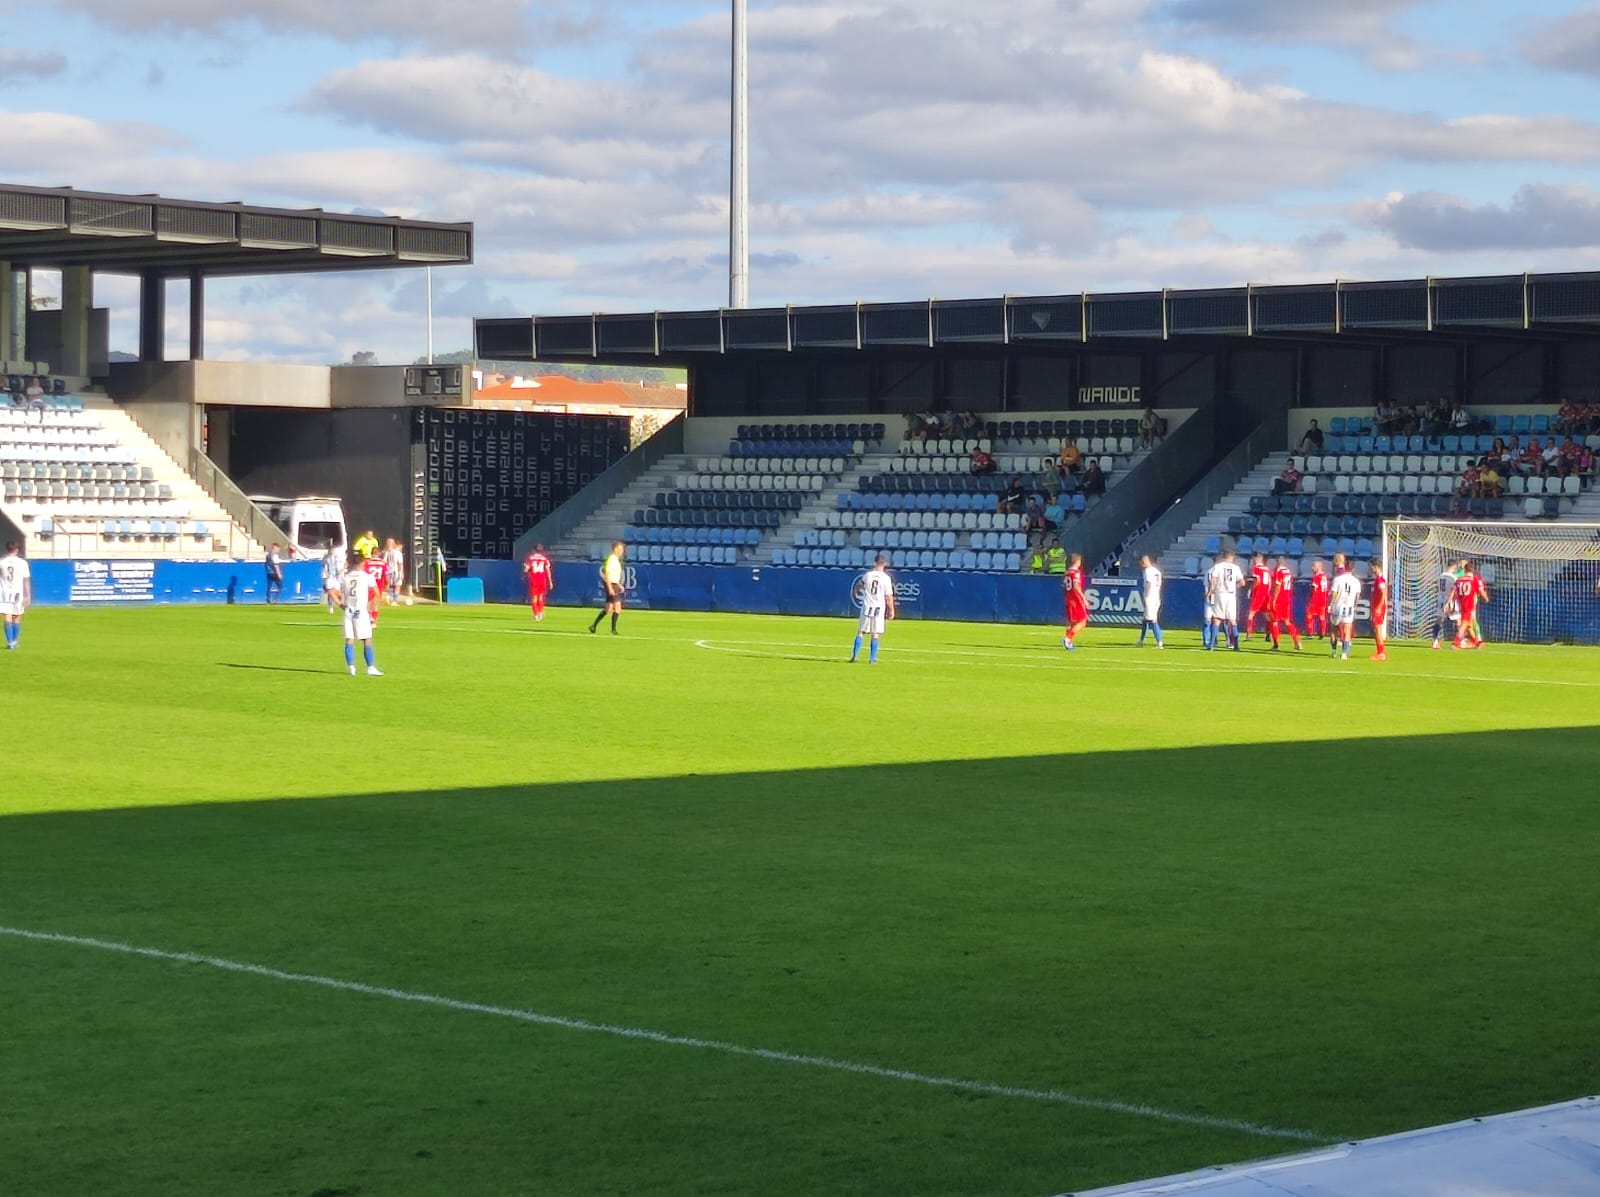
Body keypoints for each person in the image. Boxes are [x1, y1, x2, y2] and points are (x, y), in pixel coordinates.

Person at [339, 551, 383, 676]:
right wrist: (371, 608)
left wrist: (341, 604)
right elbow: (377, 593)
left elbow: (334, 592)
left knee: (349, 640)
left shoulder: (346, 577)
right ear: (362, 562)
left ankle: (351, 667)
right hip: (361, 611)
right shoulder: (367, 577)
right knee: (367, 639)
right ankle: (370, 667)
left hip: (349, 611)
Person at [850, 554, 896, 663]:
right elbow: (888, 596)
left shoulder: (868, 575)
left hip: (867, 606)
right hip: (878, 608)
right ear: (884, 564)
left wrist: (856, 592)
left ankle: (855, 656)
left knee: (861, 631)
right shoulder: (886, 578)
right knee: (875, 633)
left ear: (874, 563)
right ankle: (872, 658)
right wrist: (892, 610)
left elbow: (859, 585)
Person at [1205, 550, 1244, 651]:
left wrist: (1210, 591)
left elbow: (1213, 579)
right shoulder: (1236, 568)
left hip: (1220, 594)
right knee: (1232, 620)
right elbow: (1242, 583)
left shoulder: (1218, 566)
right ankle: (1236, 645)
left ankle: (1212, 645)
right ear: (1231, 558)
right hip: (1231, 595)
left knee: (1217, 619)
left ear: (1223, 557)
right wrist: (1235, 587)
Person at [1328, 555, 1362, 660]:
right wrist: (1355, 606)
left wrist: (1331, 605)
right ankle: (1344, 654)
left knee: (1334, 629)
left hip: (1337, 606)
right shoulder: (1356, 581)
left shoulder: (1338, 579)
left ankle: (1333, 651)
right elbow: (1357, 596)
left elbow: (1334, 593)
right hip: (1349, 608)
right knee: (1347, 630)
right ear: (1353, 569)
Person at [589, 541, 626, 634]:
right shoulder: (612, 559)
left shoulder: (616, 560)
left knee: (609, 608)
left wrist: (619, 585)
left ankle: (593, 626)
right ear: (616, 549)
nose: (622, 551)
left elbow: (614, 575)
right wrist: (609, 587)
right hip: (610, 584)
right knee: (617, 607)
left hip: (614, 584)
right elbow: (607, 574)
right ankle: (613, 630)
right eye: (621, 549)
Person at [0, 541, 31, 650]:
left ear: (7, 549)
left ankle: (11, 642)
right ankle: (14, 641)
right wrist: (28, 596)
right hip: (18, 593)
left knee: (7, 617)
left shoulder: (2, 562)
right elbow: (26, 580)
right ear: (17, 550)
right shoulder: (22, 563)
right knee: (17, 617)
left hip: (4, 593)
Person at [1452, 561, 1489, 650]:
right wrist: (1486, 598)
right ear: (1473, 570)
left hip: (1461, 603)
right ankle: (1456, 642)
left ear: (1465, 570)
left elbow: (1454, 592)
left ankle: (1477, 642)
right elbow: (1481, 590)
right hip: (1469, 603)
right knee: (1465, 623)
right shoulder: (1474, 579)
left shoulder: (1459, 579)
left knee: (1468, 624)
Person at [1268, 556, 1301, 651]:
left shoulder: (1279, 572)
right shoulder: (1287, 571)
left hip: (1279, 599)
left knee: (1274, 621)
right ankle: (1297, 641)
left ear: (1278, 562)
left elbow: (1278, 586)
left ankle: (1276, 644)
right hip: (1287, 599)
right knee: (1287, 621)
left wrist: (1274, 600)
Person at [1062, 552, 1089, 651]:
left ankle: (1068, 642)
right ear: (1078, 561)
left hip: (1068, 599)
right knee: (1083, 621)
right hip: (1075, 599)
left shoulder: (1067, 572)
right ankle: (1067, 639)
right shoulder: (1076, 573)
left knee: (1071, 621)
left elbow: (1064, 587)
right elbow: (1076, 587)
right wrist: (1084, 598)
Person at [1136, 553, 1164, 648]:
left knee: (1152, 620)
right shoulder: (1157, 571)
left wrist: (1146, 598)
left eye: (1141, 563)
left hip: (1150, 598)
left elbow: (1149, 584)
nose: (1141, 565)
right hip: (1156, 597)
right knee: (1145, 620)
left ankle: (1159, 642)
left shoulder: (1148, 571)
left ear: (1144, 562)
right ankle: (1141, 641)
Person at [1244, 553, 1273, 639]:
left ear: (1257, 559)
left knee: (1251, 613)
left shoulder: (1256, 568)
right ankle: (1268, 634)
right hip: (1266, 593)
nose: (1253, 560)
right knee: (1266, 614)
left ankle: (1249, 635)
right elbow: (1270, 582)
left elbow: (1257, 581)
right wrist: (1268, 591)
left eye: (1254, 559)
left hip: (1258, 593)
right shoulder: (1266, 569)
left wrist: (1250, 589)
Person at [522, 543, 554, 620]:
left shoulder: (530, 558)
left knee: (534, 598)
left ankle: (536, 614)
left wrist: (524, 573)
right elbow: (548, 571)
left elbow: (525, 570)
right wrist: (550, 582)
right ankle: (540, 612)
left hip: (534, 580)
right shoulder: (544, 559)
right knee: (541, 598)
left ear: (533, 550)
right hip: (542, 580)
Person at [360, 544, 388, 627]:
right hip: (378, 585)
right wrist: (387, 584)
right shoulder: (383, 563)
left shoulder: (367, 562)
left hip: (368, 585)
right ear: (379, 553)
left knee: (367, 603)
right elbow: (386, 574)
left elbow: (363, 572)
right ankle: (373, 622)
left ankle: (369, 619)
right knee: (375, 604)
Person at [1368, 558, 1390, 660]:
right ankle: (1380, 652)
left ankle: (1381, 653)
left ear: (1375, 567)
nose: (1371, 569)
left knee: (1378, 629)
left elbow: (1383, 593)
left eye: (1371, 567)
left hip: (1379, 608)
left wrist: (1379, 607)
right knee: (1377, 630)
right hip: (1377, 608)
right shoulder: (1377, 579)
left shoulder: (1380, 580)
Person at [1304, 558, 1330, 639]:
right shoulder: (1324, 576)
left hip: (1316, 599)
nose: (1312, 568)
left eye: (1314, 566)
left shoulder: (1317, 576)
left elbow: (1314, 588)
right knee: (1322, 617)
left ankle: (1310, 633)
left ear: (1319, 567)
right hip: (1323, 599)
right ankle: (1322, 633)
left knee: (1309, 614)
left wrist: (1310, 596)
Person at [320, 541, 345, 614]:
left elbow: (340, 567)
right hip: (329, 577)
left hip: (337, 577)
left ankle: (338, 604)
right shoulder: (326, 557)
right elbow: (323, 566)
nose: (332, 551)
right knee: (330, 592)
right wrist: (324, 577)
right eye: (331, 550)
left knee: (338, 593)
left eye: (333, 550)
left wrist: (342, 570)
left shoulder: (338, 557)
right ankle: (331, 606)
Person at [382, 538, 406, 605]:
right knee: (397, 585)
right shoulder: (398, 553)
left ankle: (389, 597)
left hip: (388, 571)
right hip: (396, 571)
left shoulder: (385, 552)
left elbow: (384, 562)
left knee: (390, 585)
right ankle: (394, 601)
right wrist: (401, 572)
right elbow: (400, 563)